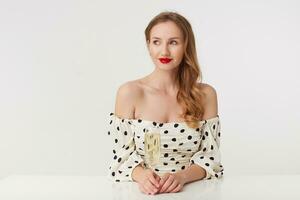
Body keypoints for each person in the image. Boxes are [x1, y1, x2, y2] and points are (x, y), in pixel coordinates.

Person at [107, 11, 224, 195]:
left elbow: (211, 159)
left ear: (186, 45)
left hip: (195, 192)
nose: (164, 51)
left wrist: (182, 177)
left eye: (173, 42)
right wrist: (141, 175)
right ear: (148, 45)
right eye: (156, 42)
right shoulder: (130, 93)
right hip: (140, 194)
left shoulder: (205, 95)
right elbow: (120, 159)